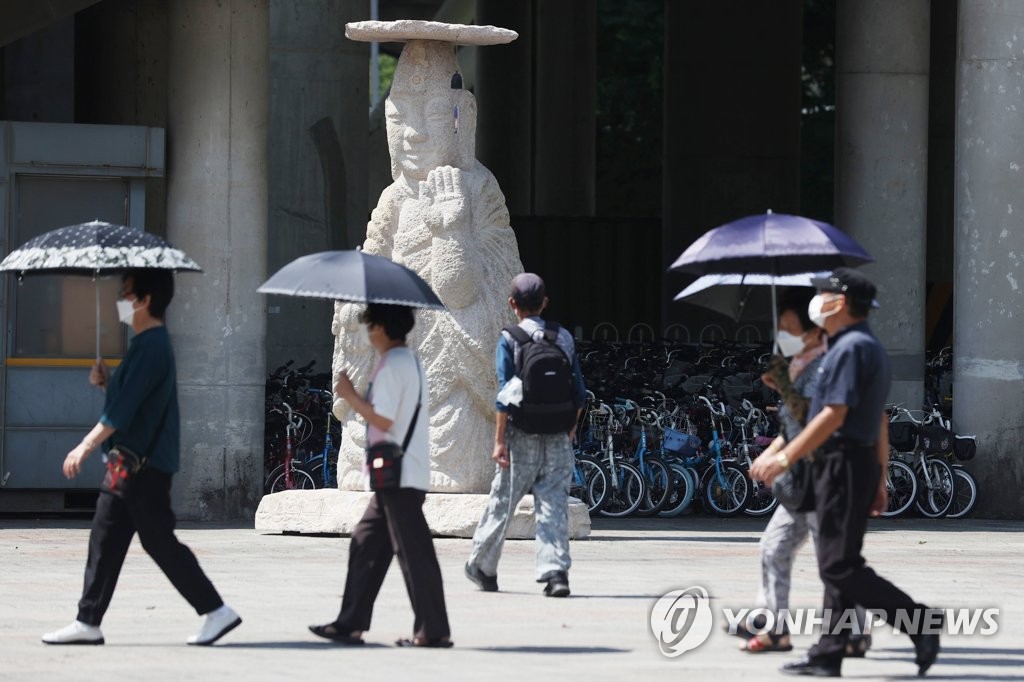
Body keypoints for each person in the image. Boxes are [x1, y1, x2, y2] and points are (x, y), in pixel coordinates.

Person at [331, 36, 523, 495]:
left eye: (434, 115)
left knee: (457, 336)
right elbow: (370, 262)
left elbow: (476, 289)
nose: (413, 133)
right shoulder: (393, 197)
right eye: (398, 118)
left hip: (447, 361)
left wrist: (452, 232)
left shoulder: (478, 190)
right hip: (396, 344)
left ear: (464, 118)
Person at [750, 268, 940, 677]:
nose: (817, 301)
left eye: (823, 294)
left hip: (842, 462)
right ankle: (828, 652)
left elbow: (833, 415)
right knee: (839, 562)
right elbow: (838, 417)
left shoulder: (852, 348)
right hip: (850, 463)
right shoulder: (852, 346)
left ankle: (919, 622)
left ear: (838, 303)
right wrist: (880, 476)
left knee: (837, 566)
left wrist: (783, 459)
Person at [42, 270, 240, 647]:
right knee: (109, 536)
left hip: (140, 466)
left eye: (126, 292)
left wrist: (84, 445)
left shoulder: (151, 346)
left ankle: (216, 610)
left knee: (154, 541)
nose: (121, 299)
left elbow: (125, 410)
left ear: (145, 300)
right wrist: (107, 382)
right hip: (133, 464)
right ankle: (88, 621)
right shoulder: (146, 344)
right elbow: (130, 397)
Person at [310, 303, 452, 648]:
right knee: (365, 543)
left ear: (384, 328)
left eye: (371, 325)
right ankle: (350, 623)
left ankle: (432, 630)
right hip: (401, 473)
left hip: (397, 474)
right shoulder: (411, 362)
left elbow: (384, 420)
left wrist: (349, 396)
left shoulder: (392, 367)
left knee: (413, 552)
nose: (368, 332)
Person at [739, 289, 869, 656]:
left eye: (788, 327)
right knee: (774, 547)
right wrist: (772, 452)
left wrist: (782, 383)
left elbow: (816, 420)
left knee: (834, 565)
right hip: (800, 483)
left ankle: (854, 632)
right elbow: (792, 430)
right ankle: (775, 627)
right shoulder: (799, 366)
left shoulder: (825, 366)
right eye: (780, 327)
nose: (782, 334)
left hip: (823, 478)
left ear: (813, 332)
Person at [465, 273, 587, 598]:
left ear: (512, 304)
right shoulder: (563, 338)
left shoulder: (511, 339)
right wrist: (570, 427)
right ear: (544, 302)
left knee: (503, 501)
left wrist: (499, 440)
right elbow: (579, 392)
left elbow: (507, 394)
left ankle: (484, 567)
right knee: (553, 504)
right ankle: (555, 574)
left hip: (522, 436)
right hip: (558, 435)